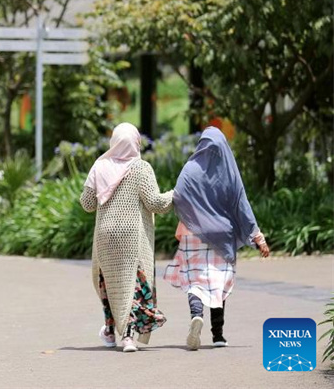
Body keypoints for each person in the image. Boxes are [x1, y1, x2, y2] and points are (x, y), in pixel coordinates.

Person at [164, 126, 270, 350]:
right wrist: (257, 236)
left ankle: (196, 315)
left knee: (195, 280)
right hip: (222, 235)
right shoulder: (229, 171)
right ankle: (218, 335)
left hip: (193, 234)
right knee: (217, 282)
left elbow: (179, 195)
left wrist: (192, 216)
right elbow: (242, 205)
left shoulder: (190, 168)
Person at [79, 122, 174, 353]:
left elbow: (87, 204)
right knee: (131, 285)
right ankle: (128, 338)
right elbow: (155, 203)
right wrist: (175, 194)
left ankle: (110, 332)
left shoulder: (99, 167)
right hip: (131, 238)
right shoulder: (142, 168)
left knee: (110, 283)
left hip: (105, 237)